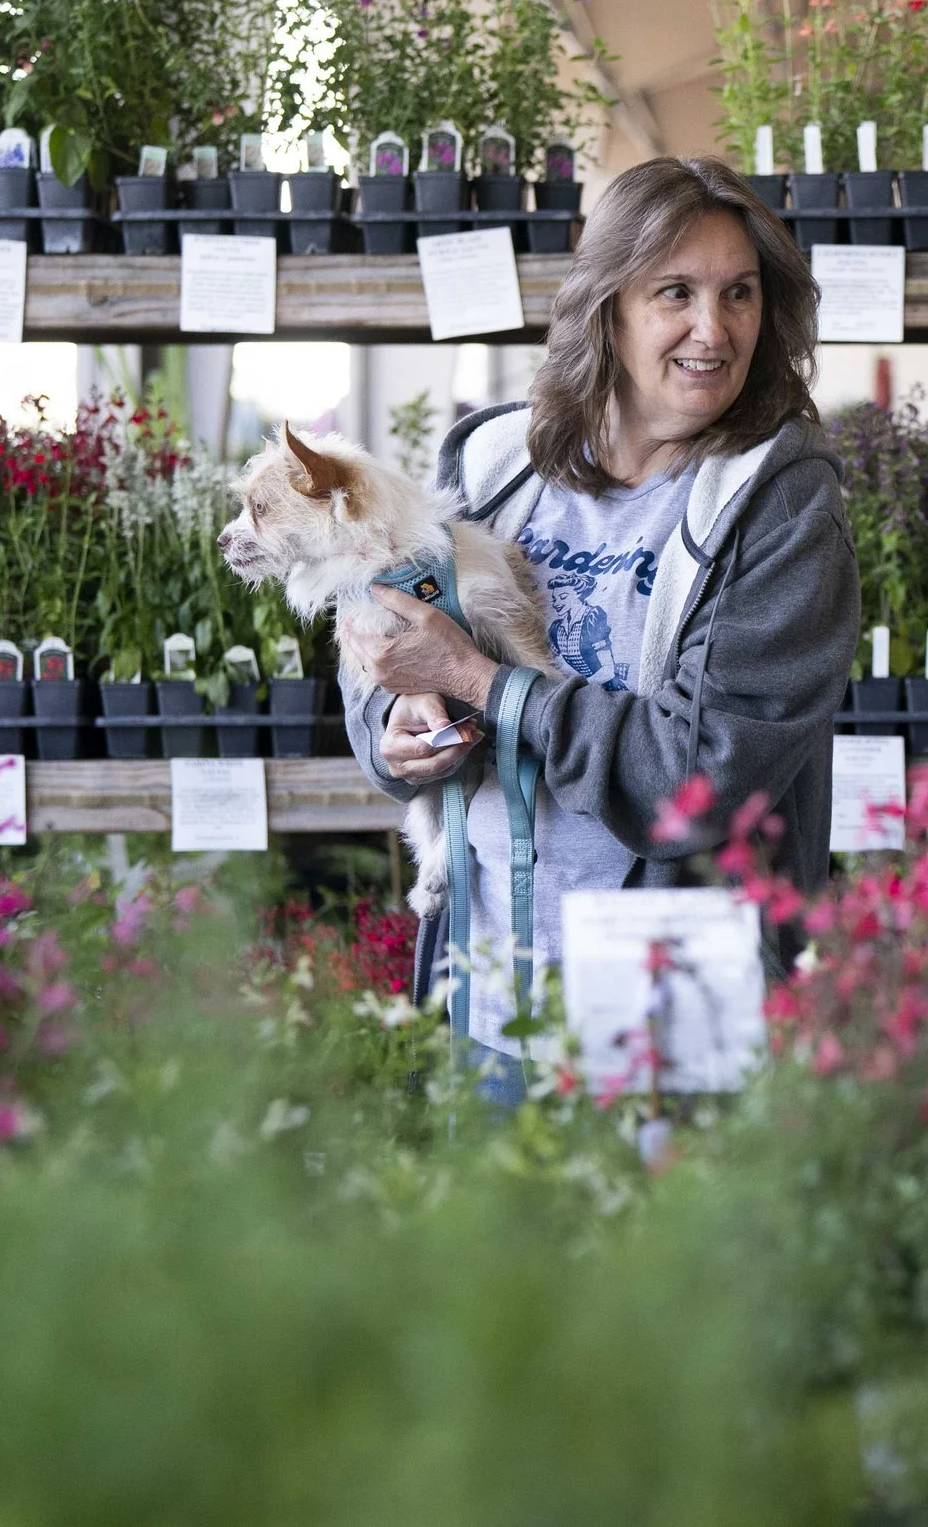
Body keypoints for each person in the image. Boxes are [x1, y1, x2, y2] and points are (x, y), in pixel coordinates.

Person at [344, 155, 858, 1032]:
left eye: (739, 293)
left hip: (674, 1002)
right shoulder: (496, 468)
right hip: (487, 979)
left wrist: (478, 682)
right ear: (608, 307)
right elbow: (389, 659)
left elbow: (697, 775)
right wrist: (395, 730)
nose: (714, 329)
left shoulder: (779, 503)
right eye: (676, 294)